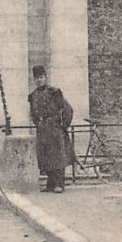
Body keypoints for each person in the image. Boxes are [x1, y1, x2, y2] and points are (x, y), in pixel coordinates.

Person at [28, 65, 76, 193]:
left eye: (41, 77)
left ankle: (59, 184)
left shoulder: (54, 92)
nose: (39, 80)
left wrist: (63, 125)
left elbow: (67, 109)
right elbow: (33, 113)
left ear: (45, 78)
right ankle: (50, 184)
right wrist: (37, 123)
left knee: (57, 156)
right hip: (42, 130)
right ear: (34, 80)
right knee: (45, 156)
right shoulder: (33, 96)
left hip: (54, 128)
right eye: (37, 78)